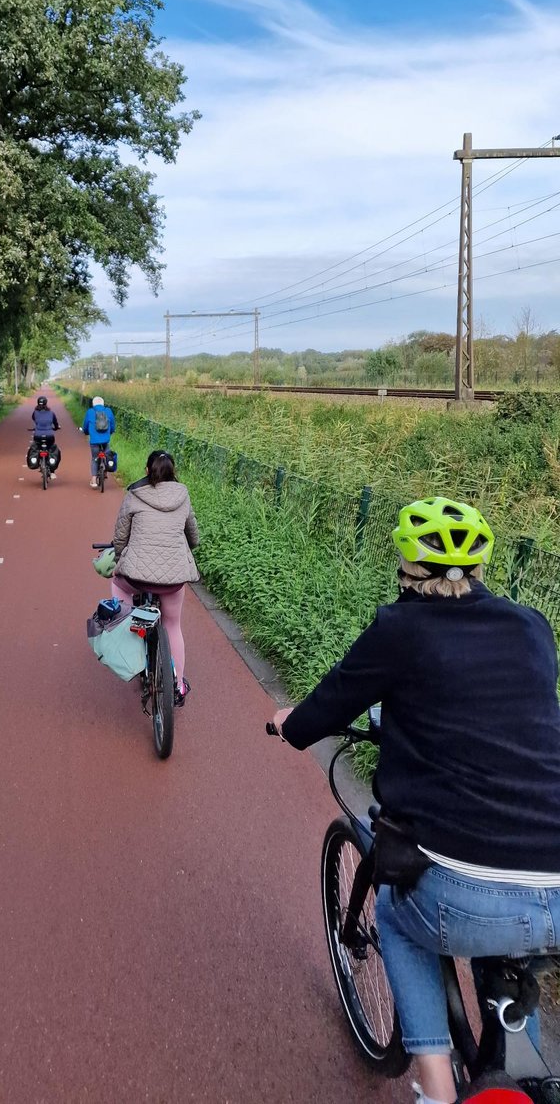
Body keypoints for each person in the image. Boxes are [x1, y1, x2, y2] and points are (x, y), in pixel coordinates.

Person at [269, 496, 560, 1104]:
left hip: (465, 893)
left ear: (405, 563)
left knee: (398, 917)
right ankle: (528, 1075)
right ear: (480, 565)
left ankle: (434, 1086)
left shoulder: (398, 630)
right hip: (555, 882)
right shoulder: (532, 626)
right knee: (509, 960)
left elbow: (329, 705)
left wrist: (288, 724)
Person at [109, 450, 200, 706]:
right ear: (173, 472)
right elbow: (193, 535)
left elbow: (120, 537)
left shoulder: (134, 494)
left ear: (147, 471)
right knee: (173, 624)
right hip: (173, 580)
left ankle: (129, 628)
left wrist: (119, 559)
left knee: (118, 584)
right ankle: (178, 685)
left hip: (136, 577)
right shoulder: (183, 495)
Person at [82, 395, 116, 487]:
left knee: (94, 459)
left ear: (93, 404)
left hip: (94, 441)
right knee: (107, 455)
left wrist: (86, 432)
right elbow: (112, 425)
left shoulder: (90, 412)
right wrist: (111, 431)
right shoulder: (108, 411)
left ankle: (93, 480)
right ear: (103, 403)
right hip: (105, 440)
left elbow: (85, 426)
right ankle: (105, 472)